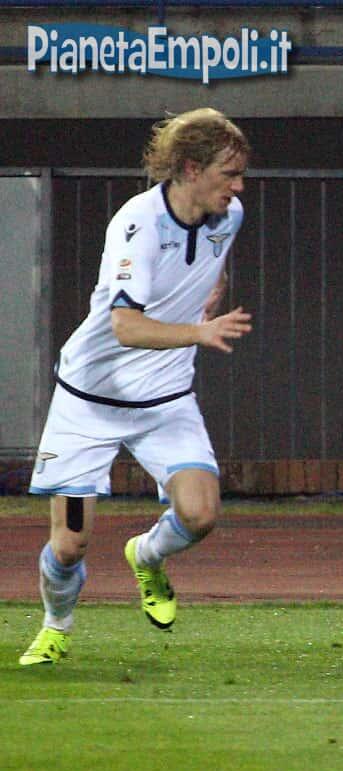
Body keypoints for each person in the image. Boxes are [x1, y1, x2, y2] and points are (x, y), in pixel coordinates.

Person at [19, 108, 253, 666]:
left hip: (166, 398)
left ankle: (146, 556)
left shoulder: (229, 215)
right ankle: (55, 627)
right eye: (229, 173)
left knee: (200, 514)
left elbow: (212, 263)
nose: (239, 187)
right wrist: (199, 331)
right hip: (89, 401)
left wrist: (210, 291)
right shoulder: (138, 225)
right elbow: (126, 327)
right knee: (70, 543)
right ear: (191, 168)